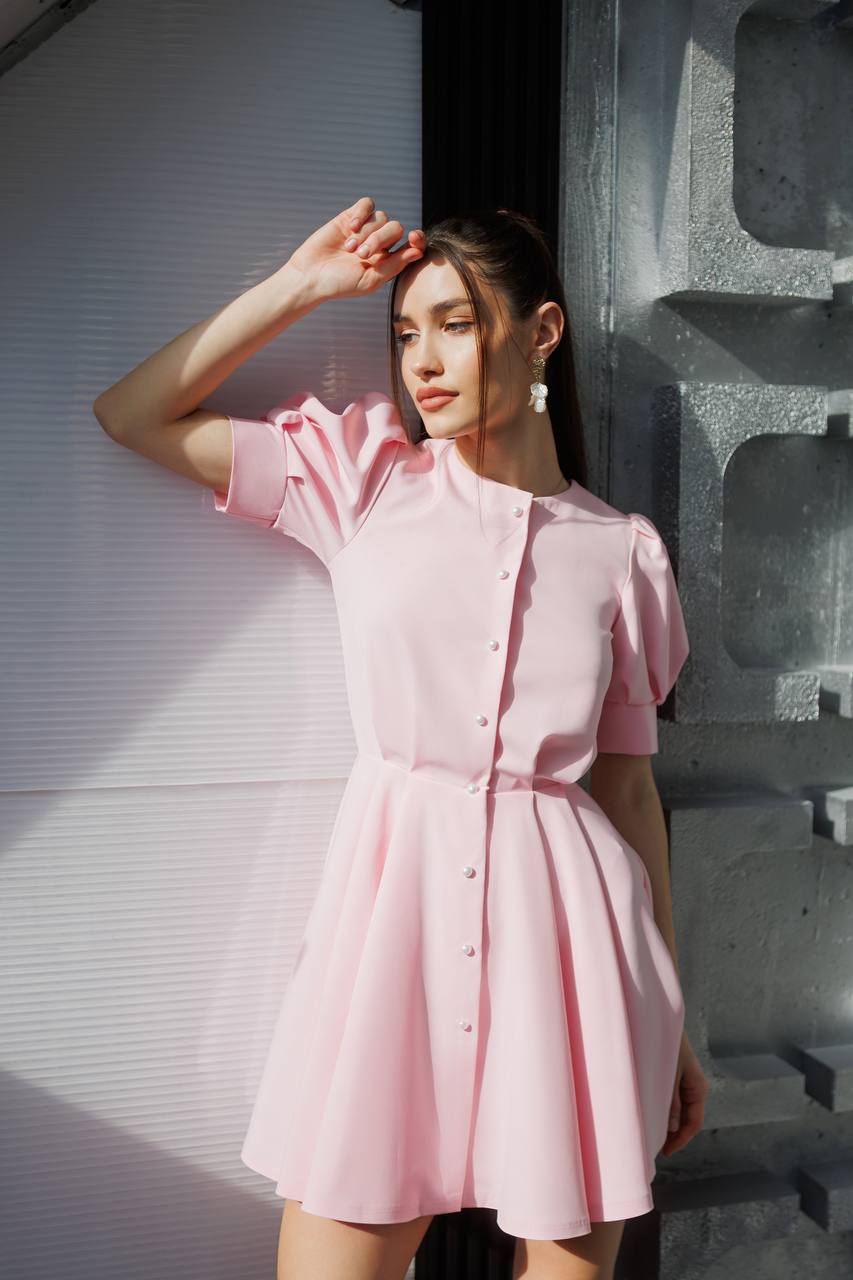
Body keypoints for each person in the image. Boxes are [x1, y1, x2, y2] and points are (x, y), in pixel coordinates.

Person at [93, 196, 709, 1280]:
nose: (421, 361)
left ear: (542, 332)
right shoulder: (364, 478)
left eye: (455, 324)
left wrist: (671, 1015)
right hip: (389, 962)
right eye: (404, 332)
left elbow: (624, 797)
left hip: (572, 977)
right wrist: (301, 284)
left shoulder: (619, 554)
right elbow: (132, 414)